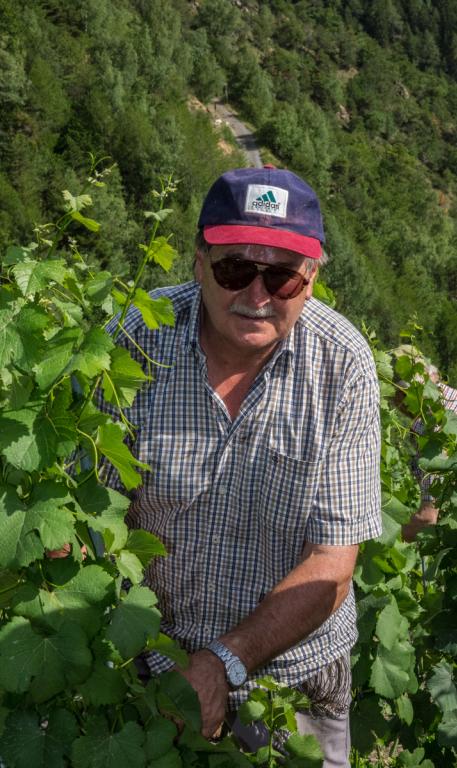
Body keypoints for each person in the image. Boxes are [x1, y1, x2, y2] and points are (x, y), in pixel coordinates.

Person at [101, 167, 382, 767]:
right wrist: (156, 654)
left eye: (281, 277)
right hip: (144, 659)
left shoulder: (342, 366)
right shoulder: (133, 340)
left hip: (291, 679)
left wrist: (222, 662)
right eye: (235, 269)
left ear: (311, 280)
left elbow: (331, 562)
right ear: (199, 263)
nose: (256, 296)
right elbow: (87, 520)